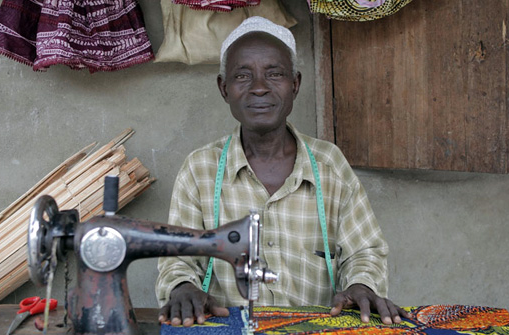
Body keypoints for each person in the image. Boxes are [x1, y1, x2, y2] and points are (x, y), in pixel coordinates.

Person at [155, 16, 409, 327]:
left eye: (274, 74)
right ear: (224, 88)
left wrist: (361, 285)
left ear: (295, 84)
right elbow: (178, 258)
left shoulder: (329, 165)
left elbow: (364, 251)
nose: (259, 88)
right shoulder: (200, 169)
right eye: (242, 76)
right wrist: (182, 287)